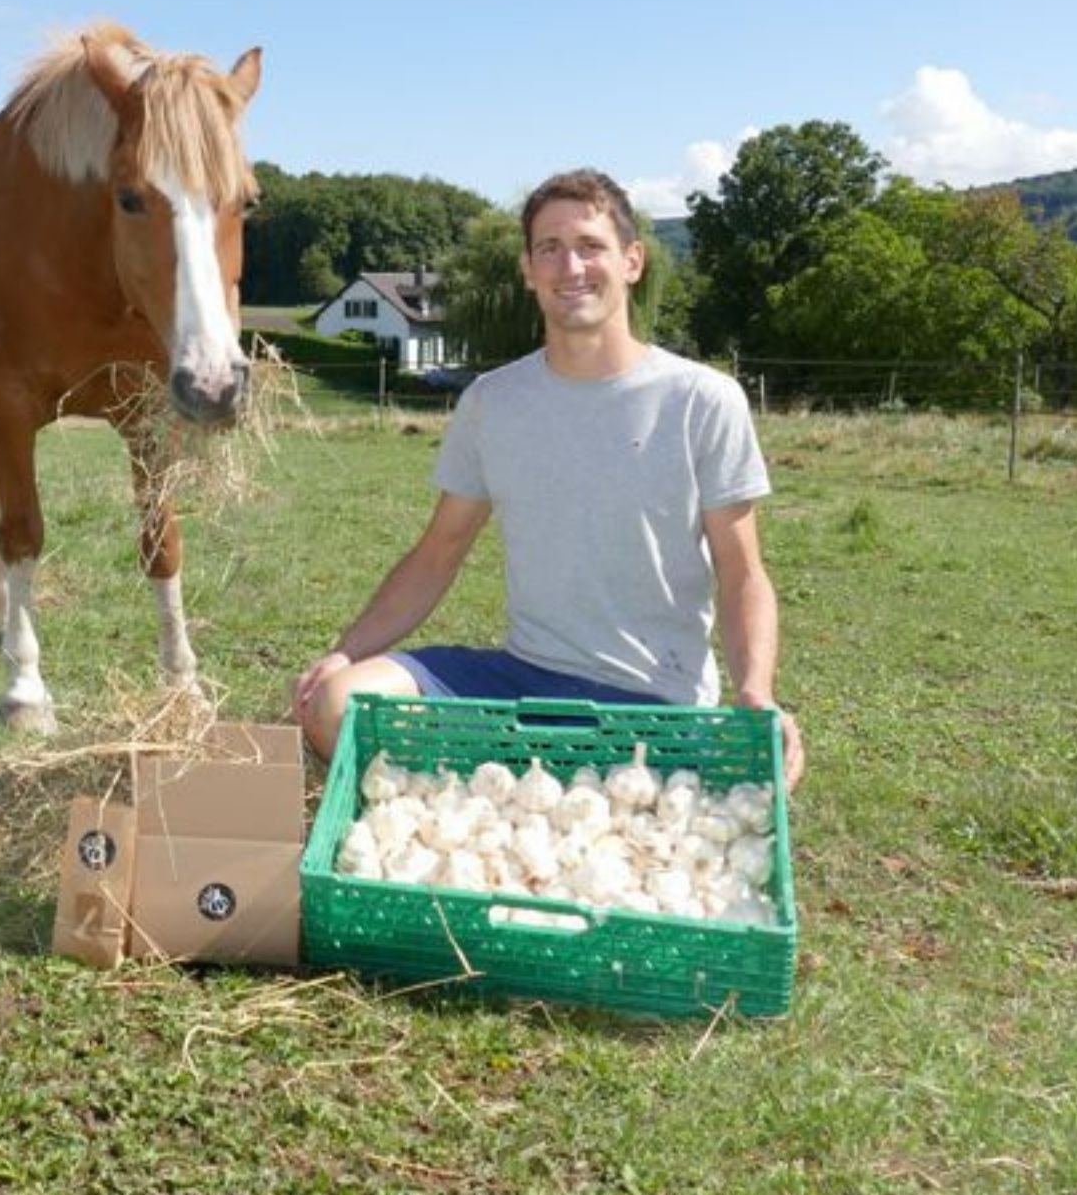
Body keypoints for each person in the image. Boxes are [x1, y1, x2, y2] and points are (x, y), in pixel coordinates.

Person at [292, 169, 805, 789]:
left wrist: (757, 693)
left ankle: (531, 783)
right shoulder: (492, 401)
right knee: (336, 705)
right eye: (549, 249)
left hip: (654, 700)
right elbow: (437, 553)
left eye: (591, 246)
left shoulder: (703, 399)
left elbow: (742, 570)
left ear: (633, 261)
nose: (571, 267)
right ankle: (514, 785)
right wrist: (346, 652)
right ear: (527, 270)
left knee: (708, 787)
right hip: (520, 679)